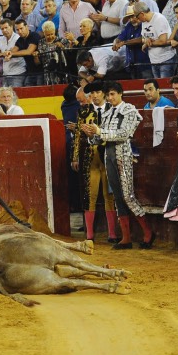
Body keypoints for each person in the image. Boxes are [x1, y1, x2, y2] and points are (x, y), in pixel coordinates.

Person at [80, 81, 153, 250]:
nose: (110, 98)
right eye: (109, 95)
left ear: (121, 94)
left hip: (123, 154)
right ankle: (126, 238)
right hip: (109, 155)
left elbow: (124, 134)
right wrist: (91, 134)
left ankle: (148, 232)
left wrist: (99, 132)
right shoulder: (107, 114)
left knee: (128, 196)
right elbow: (99, 139)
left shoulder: (129, 110)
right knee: (117, 197)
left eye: (113, 94)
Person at [72, 81, 116, 243]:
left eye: (98, 92)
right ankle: (89, 235)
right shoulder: (83, 111)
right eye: (92, 94)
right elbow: (78, 134)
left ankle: (112, 234)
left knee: (109, 195)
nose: (95, 96)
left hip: (108, 157)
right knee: (89, 195)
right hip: (90, 157)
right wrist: (75, 156)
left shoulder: (112, 110)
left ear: (104, 93)